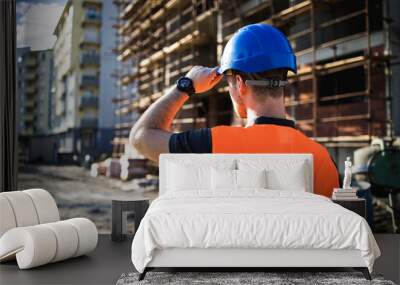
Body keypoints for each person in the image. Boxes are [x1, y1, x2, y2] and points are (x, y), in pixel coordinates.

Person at [129, 23, 339, 197]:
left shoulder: (213, 144)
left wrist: (185, 86)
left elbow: (141, 136)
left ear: (240, 84)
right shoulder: (320, 158)